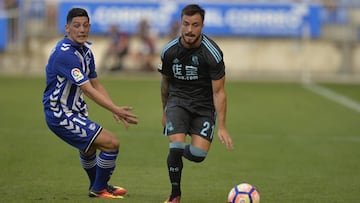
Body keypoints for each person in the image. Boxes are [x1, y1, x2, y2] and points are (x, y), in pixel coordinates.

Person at [42, 8, 138, 199]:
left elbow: (96, 83)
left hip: (74, 111)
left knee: (90, 148)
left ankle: (98, 185)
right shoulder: (65, 54)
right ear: (67, 28)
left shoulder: (85, 51)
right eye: (76, 25)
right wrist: (114, 108)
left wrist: (114, 108)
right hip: (60, 114)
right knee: (111, 143)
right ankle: (100, 188)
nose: (82, 29)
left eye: (85, 25)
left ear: (90, 27)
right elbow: (87, 89)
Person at [158, 4, 234, 203]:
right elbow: (165, 83)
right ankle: (175, 194)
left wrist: (223, 127)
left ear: (202, 26)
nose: (190, 30)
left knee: (198, 154)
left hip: (204, 107)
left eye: (195, 25)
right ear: (180, 24)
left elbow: (219, 92)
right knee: (176, 146)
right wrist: (164, 112)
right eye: (186, 24)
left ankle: (176, 150)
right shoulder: (169, 51)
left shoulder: (212, 54)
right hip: (178, 102)